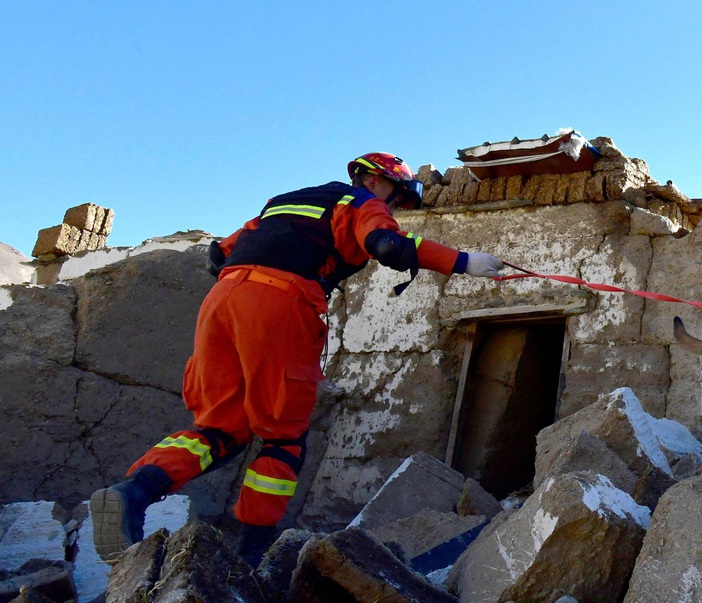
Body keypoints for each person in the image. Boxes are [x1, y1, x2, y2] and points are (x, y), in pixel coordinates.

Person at [90, 152, 504, 566]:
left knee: (220, 429)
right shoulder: (362, 203)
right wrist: (465, 262)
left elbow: (217, 256)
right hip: (280, 304)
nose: (394, 208)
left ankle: (133, 493)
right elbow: (387, 244)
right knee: (283, 437)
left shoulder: (286, 202)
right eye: (397, 199)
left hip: (222, 300)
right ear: (379, 182)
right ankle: (252, 556)